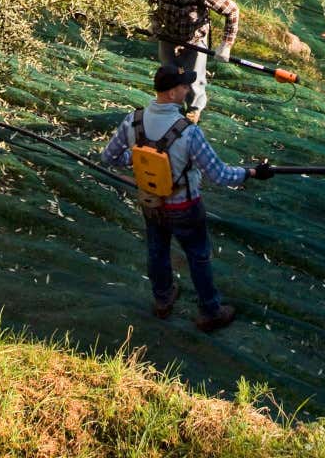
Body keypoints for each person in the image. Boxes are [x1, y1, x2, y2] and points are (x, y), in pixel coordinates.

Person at [102, 64, 272, 332]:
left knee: (157, 251)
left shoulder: (132, 120)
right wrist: (251, 172)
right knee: (198, 256)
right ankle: (210, 311)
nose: (188, 89)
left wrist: (137, 159)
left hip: (151, 203)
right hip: (185, 207)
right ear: (171, 93)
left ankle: (163, 299)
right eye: (184, 86)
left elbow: (108, 157)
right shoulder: (189, 132)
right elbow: (220, 175)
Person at [148, 0, 239, 123]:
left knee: (193, 79)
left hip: (194, 38)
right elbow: (151, 2)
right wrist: (154, 25)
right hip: (168, 35)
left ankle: (193, 111)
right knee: (168, 74)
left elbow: (232, 11)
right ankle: (169, 108)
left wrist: (226, 45)